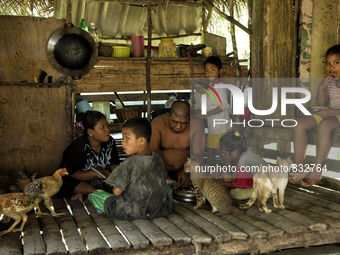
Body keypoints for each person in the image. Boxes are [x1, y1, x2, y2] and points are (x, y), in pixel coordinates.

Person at [88, 117, 172, 221]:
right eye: (123, 138)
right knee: (167, 189)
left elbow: (117, 192)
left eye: (127, 138)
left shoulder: (129, 162)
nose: (123, 142)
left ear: (141, 140)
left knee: (94, 195)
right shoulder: (157, 157)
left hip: (132, 212)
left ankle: (103, 209)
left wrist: (110, 187)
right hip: (160, 210)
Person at [290, 45, 340, 186]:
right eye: (328, 64)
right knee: (298, 123)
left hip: (335, 114)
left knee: (325, 125)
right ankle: (300, 168)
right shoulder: (330, 82)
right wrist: (322, 88)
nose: (331, 67)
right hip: (331, 112)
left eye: (336, 63)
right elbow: (321, 103)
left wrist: (330, 111)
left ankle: (317, 171)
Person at [56, 110, 120, 201]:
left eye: (107, 126)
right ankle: (99, 192)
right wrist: (95, 173)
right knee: (65, 183)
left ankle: (87, 193)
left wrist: (118, 176)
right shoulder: (78, 147)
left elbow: (114, 164)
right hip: (78, 181)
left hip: (100, 181)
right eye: (102, 127)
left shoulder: (110, 142)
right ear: (90, 131)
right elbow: (71, 173)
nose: (107, 130)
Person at [149, 101, 205, 189]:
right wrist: (162, 174)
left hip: (185, 172)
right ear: (168, 115)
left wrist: (187, 172)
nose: (178, 127)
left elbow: (198, 154)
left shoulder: (197, 124)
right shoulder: (158, 122)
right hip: (160, 172)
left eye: (184, 123)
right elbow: (151, 154)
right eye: (174, 121)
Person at [195, 56, 231, 166]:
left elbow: (224, 105)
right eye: (207, 70)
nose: (209, 73)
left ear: (220, 71)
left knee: (219, 151)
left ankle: (230, 173)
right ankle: (216, 174)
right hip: (214, 126)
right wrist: (202, 94)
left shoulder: (220, 87)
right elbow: (211, 104)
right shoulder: (211, 86)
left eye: (213, 69)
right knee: (212, 150)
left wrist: (206, 114)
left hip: (220, 126)